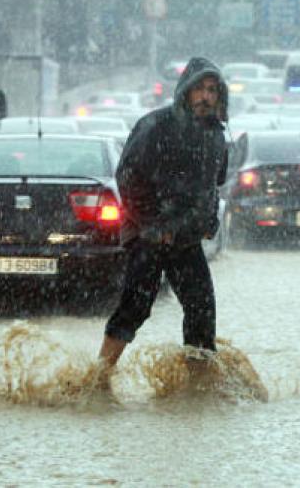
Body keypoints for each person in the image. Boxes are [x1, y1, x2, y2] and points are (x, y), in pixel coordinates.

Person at [97, 57, 229, 386]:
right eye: (199, 89)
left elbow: (212, 185)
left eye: (212, 90)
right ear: (185, 90)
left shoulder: (215, 136)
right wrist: (153, 224)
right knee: (136, 305)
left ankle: (199, 385)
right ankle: (100, 375)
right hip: (148, 235)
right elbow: (128, 177)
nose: (205, 97)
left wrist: (208, 221)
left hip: (186, 238)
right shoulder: (156, 125)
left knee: (201, 307)